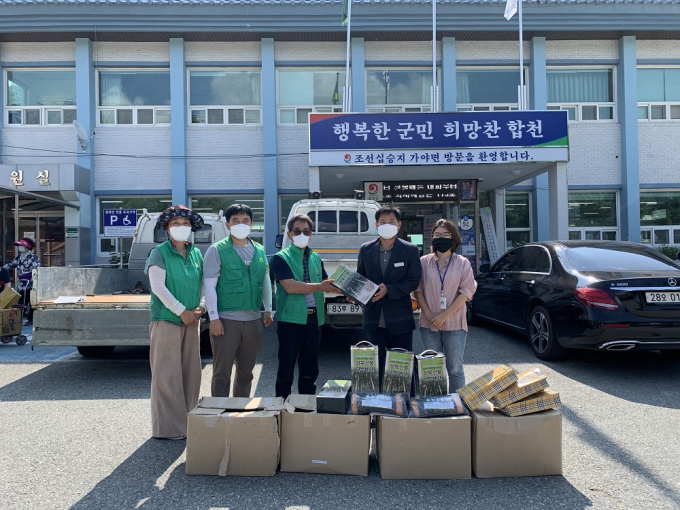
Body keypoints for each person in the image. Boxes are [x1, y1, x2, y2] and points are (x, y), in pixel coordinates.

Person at [144, 205, 205, 440]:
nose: (181, 227)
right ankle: (168, 428)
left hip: (192, 319)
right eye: (175, 223)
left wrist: (201, 306)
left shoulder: (196, 253)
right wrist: (181, 311)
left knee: (191, 373)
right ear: (167, 228)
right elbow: (158, 287)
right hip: (168, 319)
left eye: (186, 223)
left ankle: (188, 422)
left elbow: (201, 283)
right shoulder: (158, 252)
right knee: (167, 375)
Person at [203, 204, 273, 398]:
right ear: (227, 224)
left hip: (253, 321)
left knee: (246, 373)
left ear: (252, 224)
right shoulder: (216, 250)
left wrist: (268, 309)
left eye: (245, 220)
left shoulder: (259, 250)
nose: (240, 224)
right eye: (235, 221)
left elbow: (265, 280)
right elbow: (209, 286)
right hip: (226, 321)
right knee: (221, 373)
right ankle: (219, 414)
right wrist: (214, 319)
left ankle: (239, 415)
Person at [272, 213, 341, 399]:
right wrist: (320, 286)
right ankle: (282, 410)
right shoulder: (280, 258)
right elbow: (290, 286)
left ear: (311, 234)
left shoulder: (315, 258)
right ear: (289, 234)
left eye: (306, 231)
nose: (301, 234)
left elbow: (326, 282)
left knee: (310, 369)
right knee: (286, 368)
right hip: (291, 320)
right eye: (297, 231)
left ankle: (306, 409)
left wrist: (348, 291)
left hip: (314, 319)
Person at [356, 206, 421, 390]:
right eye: (382, 222)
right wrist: (354, 295)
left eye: (391, 221)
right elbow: (360, 279)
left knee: (401, 368)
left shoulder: (410, 250)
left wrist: (389, 289)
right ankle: (377, 408)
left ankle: (403, 409)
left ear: (399, 225)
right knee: (376, 369)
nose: (387, 225)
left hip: (400, 319)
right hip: (374, 320)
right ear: (376, 225)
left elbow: (413, 281)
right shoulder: (366, 249)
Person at [414, 219, 477, 392]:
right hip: (429, 323)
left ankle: (457, 407)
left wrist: (444, 315)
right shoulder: (423, 262)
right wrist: (429, 315)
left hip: (455, 323)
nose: (440, 238)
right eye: (437, 235)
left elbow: (466, 292)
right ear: (432, 238)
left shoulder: (463, 263)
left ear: (453, 238)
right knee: (432, 368)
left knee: (455, 369)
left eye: (445, 235)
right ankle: (435, 406)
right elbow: (418, 290)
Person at [4, 238, 41, 326]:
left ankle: (31, 319)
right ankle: (19, 318)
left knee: (30, 300)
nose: (20, 247)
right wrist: (3, 269)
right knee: (21, 300)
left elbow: (37, 269)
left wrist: (33, 279)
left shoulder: (33, 257)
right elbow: (13, 264)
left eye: (22, 246)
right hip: (21, 282)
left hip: (31, 282)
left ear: (27, 247)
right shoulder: (19, 256)